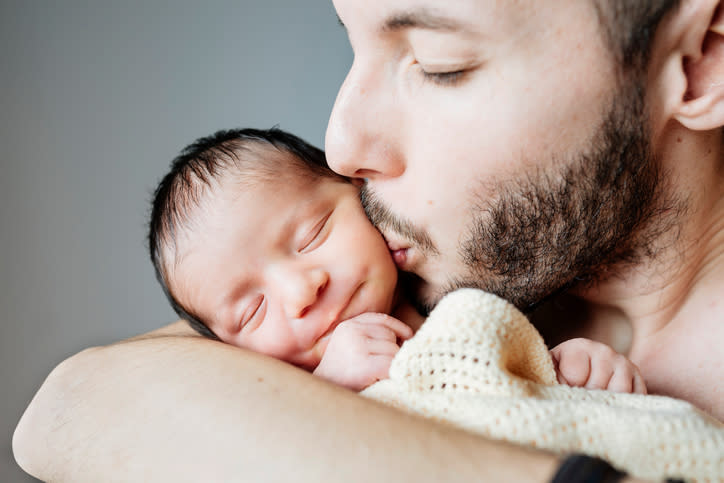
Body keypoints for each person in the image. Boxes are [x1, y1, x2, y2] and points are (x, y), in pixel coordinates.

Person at [13, 0, 724, 481]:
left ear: (700, 62)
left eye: (439, 62)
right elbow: (68, 407)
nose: (341, 144)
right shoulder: (424, 273)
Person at [149, 126, 646, 393]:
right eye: (252, 311)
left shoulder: (471, 296)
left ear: (360, 195)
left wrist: (572, 369)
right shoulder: (298, 399)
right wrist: (328, 393)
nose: (303, 291)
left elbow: (525, 395)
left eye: (312, 235)